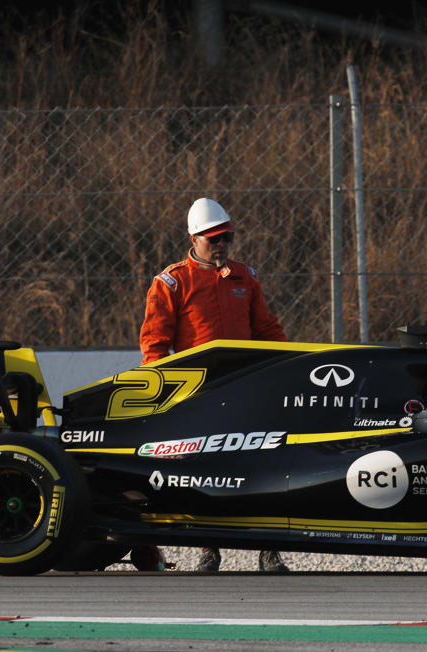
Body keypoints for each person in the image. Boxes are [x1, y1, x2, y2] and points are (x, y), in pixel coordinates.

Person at [135, 197, 290, 573]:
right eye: (213, 239)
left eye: (226, 239)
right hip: (198, 394)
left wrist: (289, 364)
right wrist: (165, 393)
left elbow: (267, 330)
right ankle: (209, 548)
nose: (221, 246)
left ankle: (269, 550)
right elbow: (154, 345)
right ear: (193, 237)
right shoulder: (171, 281)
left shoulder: (245, 276)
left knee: (264, 465)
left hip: (246, 388)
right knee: (204, 469)